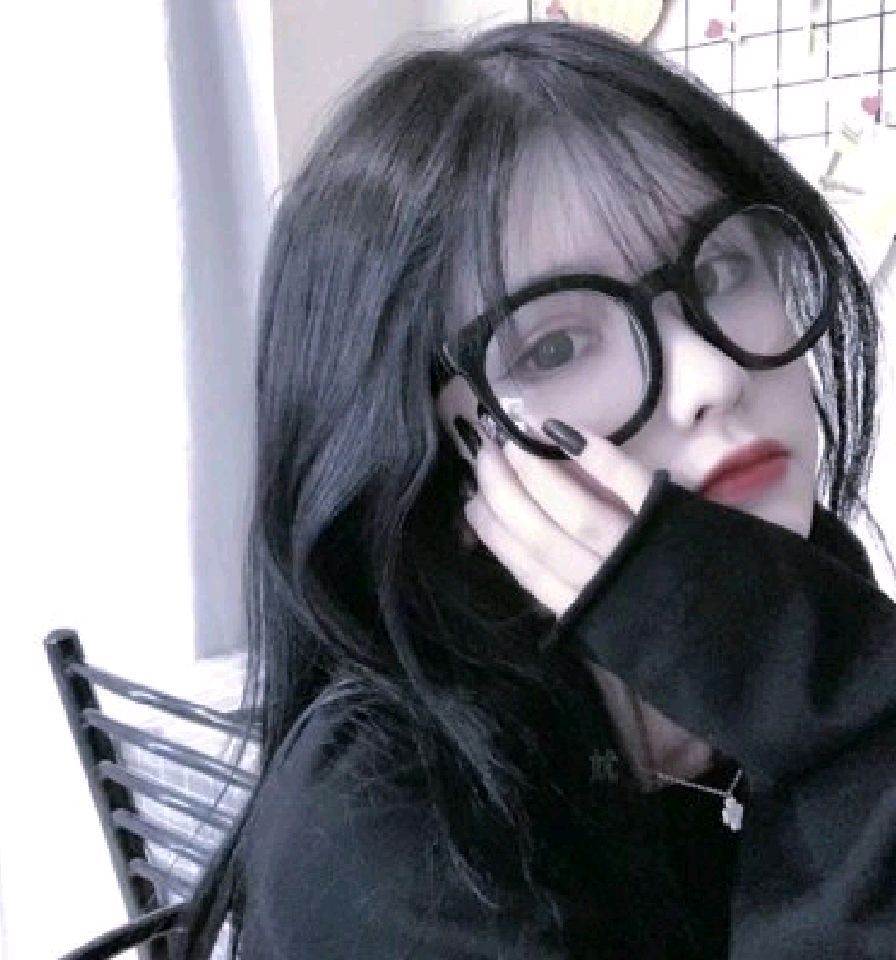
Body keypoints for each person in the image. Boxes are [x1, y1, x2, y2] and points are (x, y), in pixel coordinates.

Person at [173, 19, 896, 960]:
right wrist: (844, 725)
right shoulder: (387, 837)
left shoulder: (806, 612)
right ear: (433, 453)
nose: (712, 377)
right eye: (555, 347)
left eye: (721, 271)